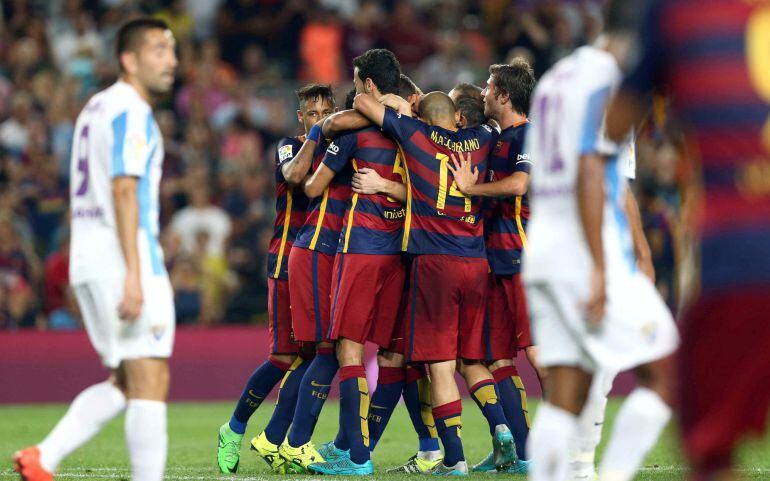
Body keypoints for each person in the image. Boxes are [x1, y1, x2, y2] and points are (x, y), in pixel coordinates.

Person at [605, 1, 770, 479]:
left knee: (713, 453)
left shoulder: (679, 13)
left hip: (742, 253)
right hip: (737, 253)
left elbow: (614, 126)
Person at [14, 18, 178, 481]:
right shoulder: (132, 110)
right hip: (123, 259)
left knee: (125, 381)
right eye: (159, 50)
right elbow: (124, 189)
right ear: (129, 59)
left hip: (88, 257)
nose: (172, 61)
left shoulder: (94, 108)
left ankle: (43, 457)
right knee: (151, 379)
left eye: (173, 51)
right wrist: (133, 272)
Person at [522, 6, 679, 481]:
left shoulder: (554, 79)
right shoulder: (611, 80)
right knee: (667, 369)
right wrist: (600, 264)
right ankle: (612, 475)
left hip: (544, 248)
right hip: (584, 248)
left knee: (566, 388)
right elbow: (594, 168)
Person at [354, 90, 512, 475]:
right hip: (475, 263)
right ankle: (502, 427)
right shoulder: (484, 136)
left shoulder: (414, 134)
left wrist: (398, 102)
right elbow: (484, 120)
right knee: (471, 360)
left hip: (434, 264)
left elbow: (362, 101)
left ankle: (455, 459)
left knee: (440, 369)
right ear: (457, 115)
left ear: (423, 116)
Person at [294, 48, 405, 476]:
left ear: (369, 86)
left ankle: (355, 456)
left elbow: (311, 186)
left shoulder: (352, 136)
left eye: (357, 83)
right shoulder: (415, 130)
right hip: (403, 251)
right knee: (394, 353)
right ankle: (432, 448)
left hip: (360, 247)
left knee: (348, 348)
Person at [216, 84, 334, 474]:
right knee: (285, 356)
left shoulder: (339, 152)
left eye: (326, 112)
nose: (319, 119)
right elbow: (294, 175)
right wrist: (317, 136)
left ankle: (278, 438)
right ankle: (233, 429)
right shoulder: (289, 145)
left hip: (324, 261)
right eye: (312, 114)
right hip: (287, 259)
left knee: (315, 353)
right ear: (301, 117)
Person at [449, 60, 537, 474]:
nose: (483, 91)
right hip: (496, 263)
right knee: (497, 359)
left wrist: (471, 189)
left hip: (525, 261)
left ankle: (571, 445)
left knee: (539, 354)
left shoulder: (529, 134)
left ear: (504, 95)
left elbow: (521, 185)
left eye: (488, 86)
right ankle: (524, 453)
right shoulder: (498, 139)